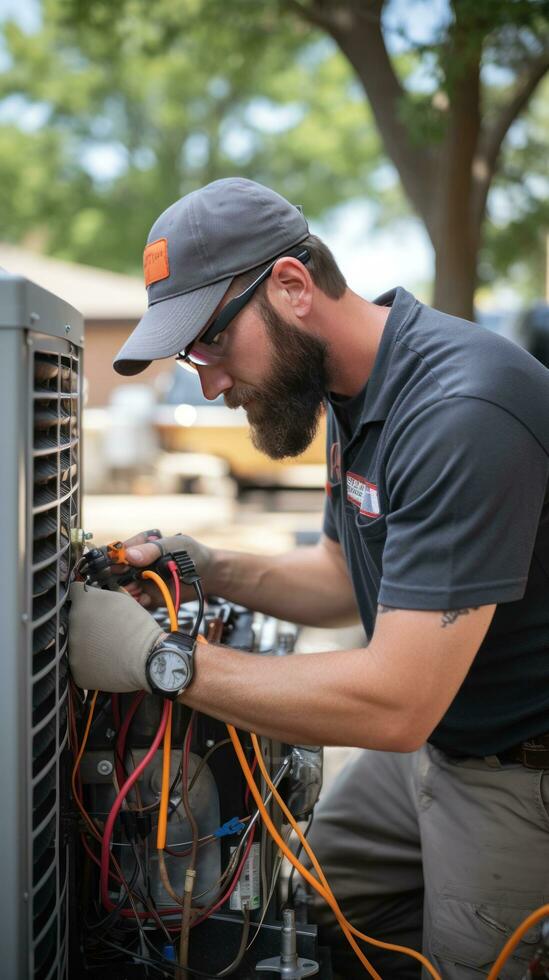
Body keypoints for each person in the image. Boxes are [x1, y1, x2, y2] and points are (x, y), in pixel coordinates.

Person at [69, 177, 549, 978]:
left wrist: (160, 659)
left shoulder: (460, 411)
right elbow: (337, 575)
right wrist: (206, 565)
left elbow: (394, 701)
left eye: (212, 343)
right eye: (193, 356)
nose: (210, 382)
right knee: (318, 898)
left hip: (517, 771)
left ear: (291, 287)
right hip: (442, 736)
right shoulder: (351, 390)